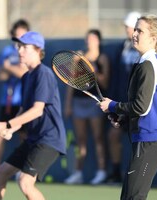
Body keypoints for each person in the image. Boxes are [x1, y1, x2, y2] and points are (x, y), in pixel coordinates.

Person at [0, 31, 66, 200]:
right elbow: (24, 109)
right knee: (0, 173)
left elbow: (37, 110)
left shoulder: (43, 74)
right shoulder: (27, 77)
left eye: (24, 47)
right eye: (18, 46)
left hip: (49, 140)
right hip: (34, 138)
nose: (19, 51)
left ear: (38, 50)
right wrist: (11, 128)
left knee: (25, 182)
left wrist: (6, 125)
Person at [99, 14, 157, 199]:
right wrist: (122, 118)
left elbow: (141, 107)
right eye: (135, 29)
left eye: (140, 30)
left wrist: (113, 106)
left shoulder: (148, 64)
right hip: (145, 141)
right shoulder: (143, 63)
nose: (134, 34)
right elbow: (144, 107)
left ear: (153, 38)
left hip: (151, 143)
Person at [0, 19, 30, 184]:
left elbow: (24, 73)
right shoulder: (7, 51)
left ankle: (25, 170)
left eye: (23, 35)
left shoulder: (29, 52)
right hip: (7, 101)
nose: (20, 38)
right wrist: (11, 70)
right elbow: (0, 75)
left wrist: (9, 68)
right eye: (17, 35)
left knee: (24, 136)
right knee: (0, 133)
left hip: (23, 102)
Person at [64, 29, 110, 185]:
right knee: (80, 140)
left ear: (98, 41)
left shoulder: (102, 58)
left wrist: (93, 70)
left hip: (95, 102)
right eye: (88, 38)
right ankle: (78, 173)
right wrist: (68, 104)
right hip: (78, 102)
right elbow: (72, 83)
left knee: (98, 138)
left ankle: (102, 172)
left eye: (93, 38)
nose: (90, 41)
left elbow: (105, 83)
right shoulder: (78, 58)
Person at [106, 11, 141, 183]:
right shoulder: (122, 48)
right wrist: (113, 102)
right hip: (121, 103)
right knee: (114, 135)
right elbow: (117, 77)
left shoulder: (145, 51)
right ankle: (115, 172)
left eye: (130, 27)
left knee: (138, 138)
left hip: (137, 104)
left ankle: (138, 174)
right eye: (127, 27)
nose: (127, 30)